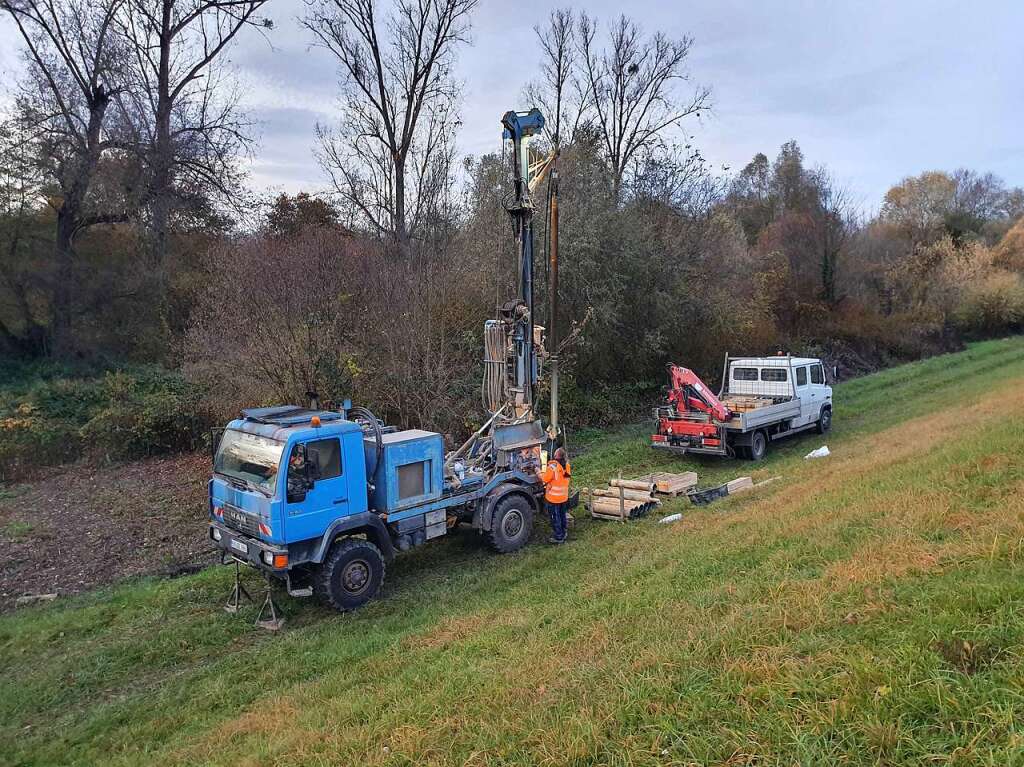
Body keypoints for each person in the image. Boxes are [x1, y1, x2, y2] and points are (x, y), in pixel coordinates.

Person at [538, 447, 571, 544]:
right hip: (563, 497)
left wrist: (538, 472)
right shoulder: (567, 465)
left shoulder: (552, 467)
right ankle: (564, 532)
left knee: (555, 517)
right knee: (562, 515)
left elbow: (544, 479)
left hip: (553, 498)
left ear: (556, 455)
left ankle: (558, 537)